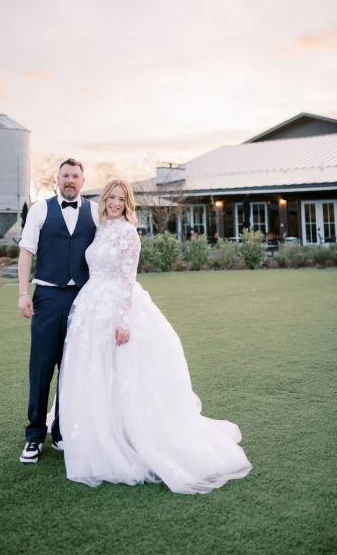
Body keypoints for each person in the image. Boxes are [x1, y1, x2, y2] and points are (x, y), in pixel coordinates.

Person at [59, 180, 252, 493]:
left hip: (117, 309)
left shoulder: (127, 232)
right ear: (105, 199)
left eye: (122, 199)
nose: (115, 203)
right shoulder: (101, 228)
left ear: (127, 203)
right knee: (97, 371)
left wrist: (123, 322)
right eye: (112, 197)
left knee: (123, 372)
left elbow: (127, 279)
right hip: (92, 306)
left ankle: (130, 436)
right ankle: (102, 431)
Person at [18, 158, 99, 464]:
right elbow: (26, 251)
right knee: (41, 368)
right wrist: (24, 293)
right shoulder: (40, 210)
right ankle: (34, 436)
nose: (70, 180)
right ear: (57, 178)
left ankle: (61, 431)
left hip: (83, 299)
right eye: (65, 175)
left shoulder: (94, 211)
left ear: (82, 180)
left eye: (75, 176)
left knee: (73, 368)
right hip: (47, 298)